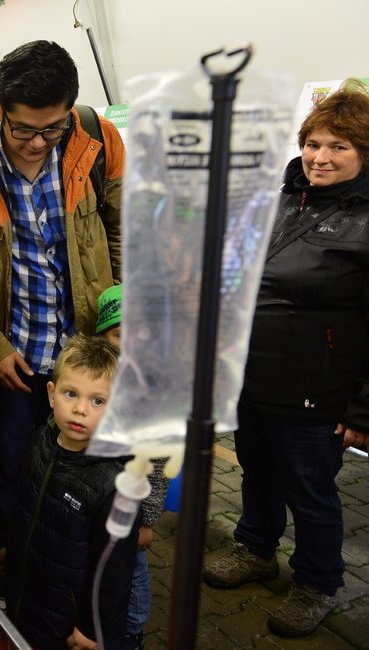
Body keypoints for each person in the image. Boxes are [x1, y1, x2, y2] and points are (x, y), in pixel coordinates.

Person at [0, 40, 124, 605]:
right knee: (13, 475)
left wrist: (118, 314)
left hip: (87, 351)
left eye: (53, 128)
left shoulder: (95, 139)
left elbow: (125, 227)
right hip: (14, 357)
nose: (40, 143)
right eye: (24, 131)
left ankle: (84, 592)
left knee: (92, 480)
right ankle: (11, 579)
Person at [203, 79, 369, 638]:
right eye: (314, 143)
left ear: (363, 154)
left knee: (311, 491)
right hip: (255, 377)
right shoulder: (278, 202)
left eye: (338, 147)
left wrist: (362, 410)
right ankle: (254, 547)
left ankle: (317, 582)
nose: (320, 157)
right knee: (258, 471)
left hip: (318, 389)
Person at [6, 334, 137, 649]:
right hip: (26, 598)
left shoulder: (116, 485)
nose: (80, 409)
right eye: (70, 393)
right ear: (51, 395)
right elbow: (23, 504)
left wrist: (92, 627)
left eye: (97, 401)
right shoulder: (40, 442)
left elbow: (114, 571)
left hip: (68, 624)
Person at [94, 283, 169, 648]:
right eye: (120, 334)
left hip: (131, 512)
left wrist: (149, 521)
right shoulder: (97, 385)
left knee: (133, 570)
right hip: (96, 504)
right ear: (104, 338)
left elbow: (157, 468)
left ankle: (131, 631)